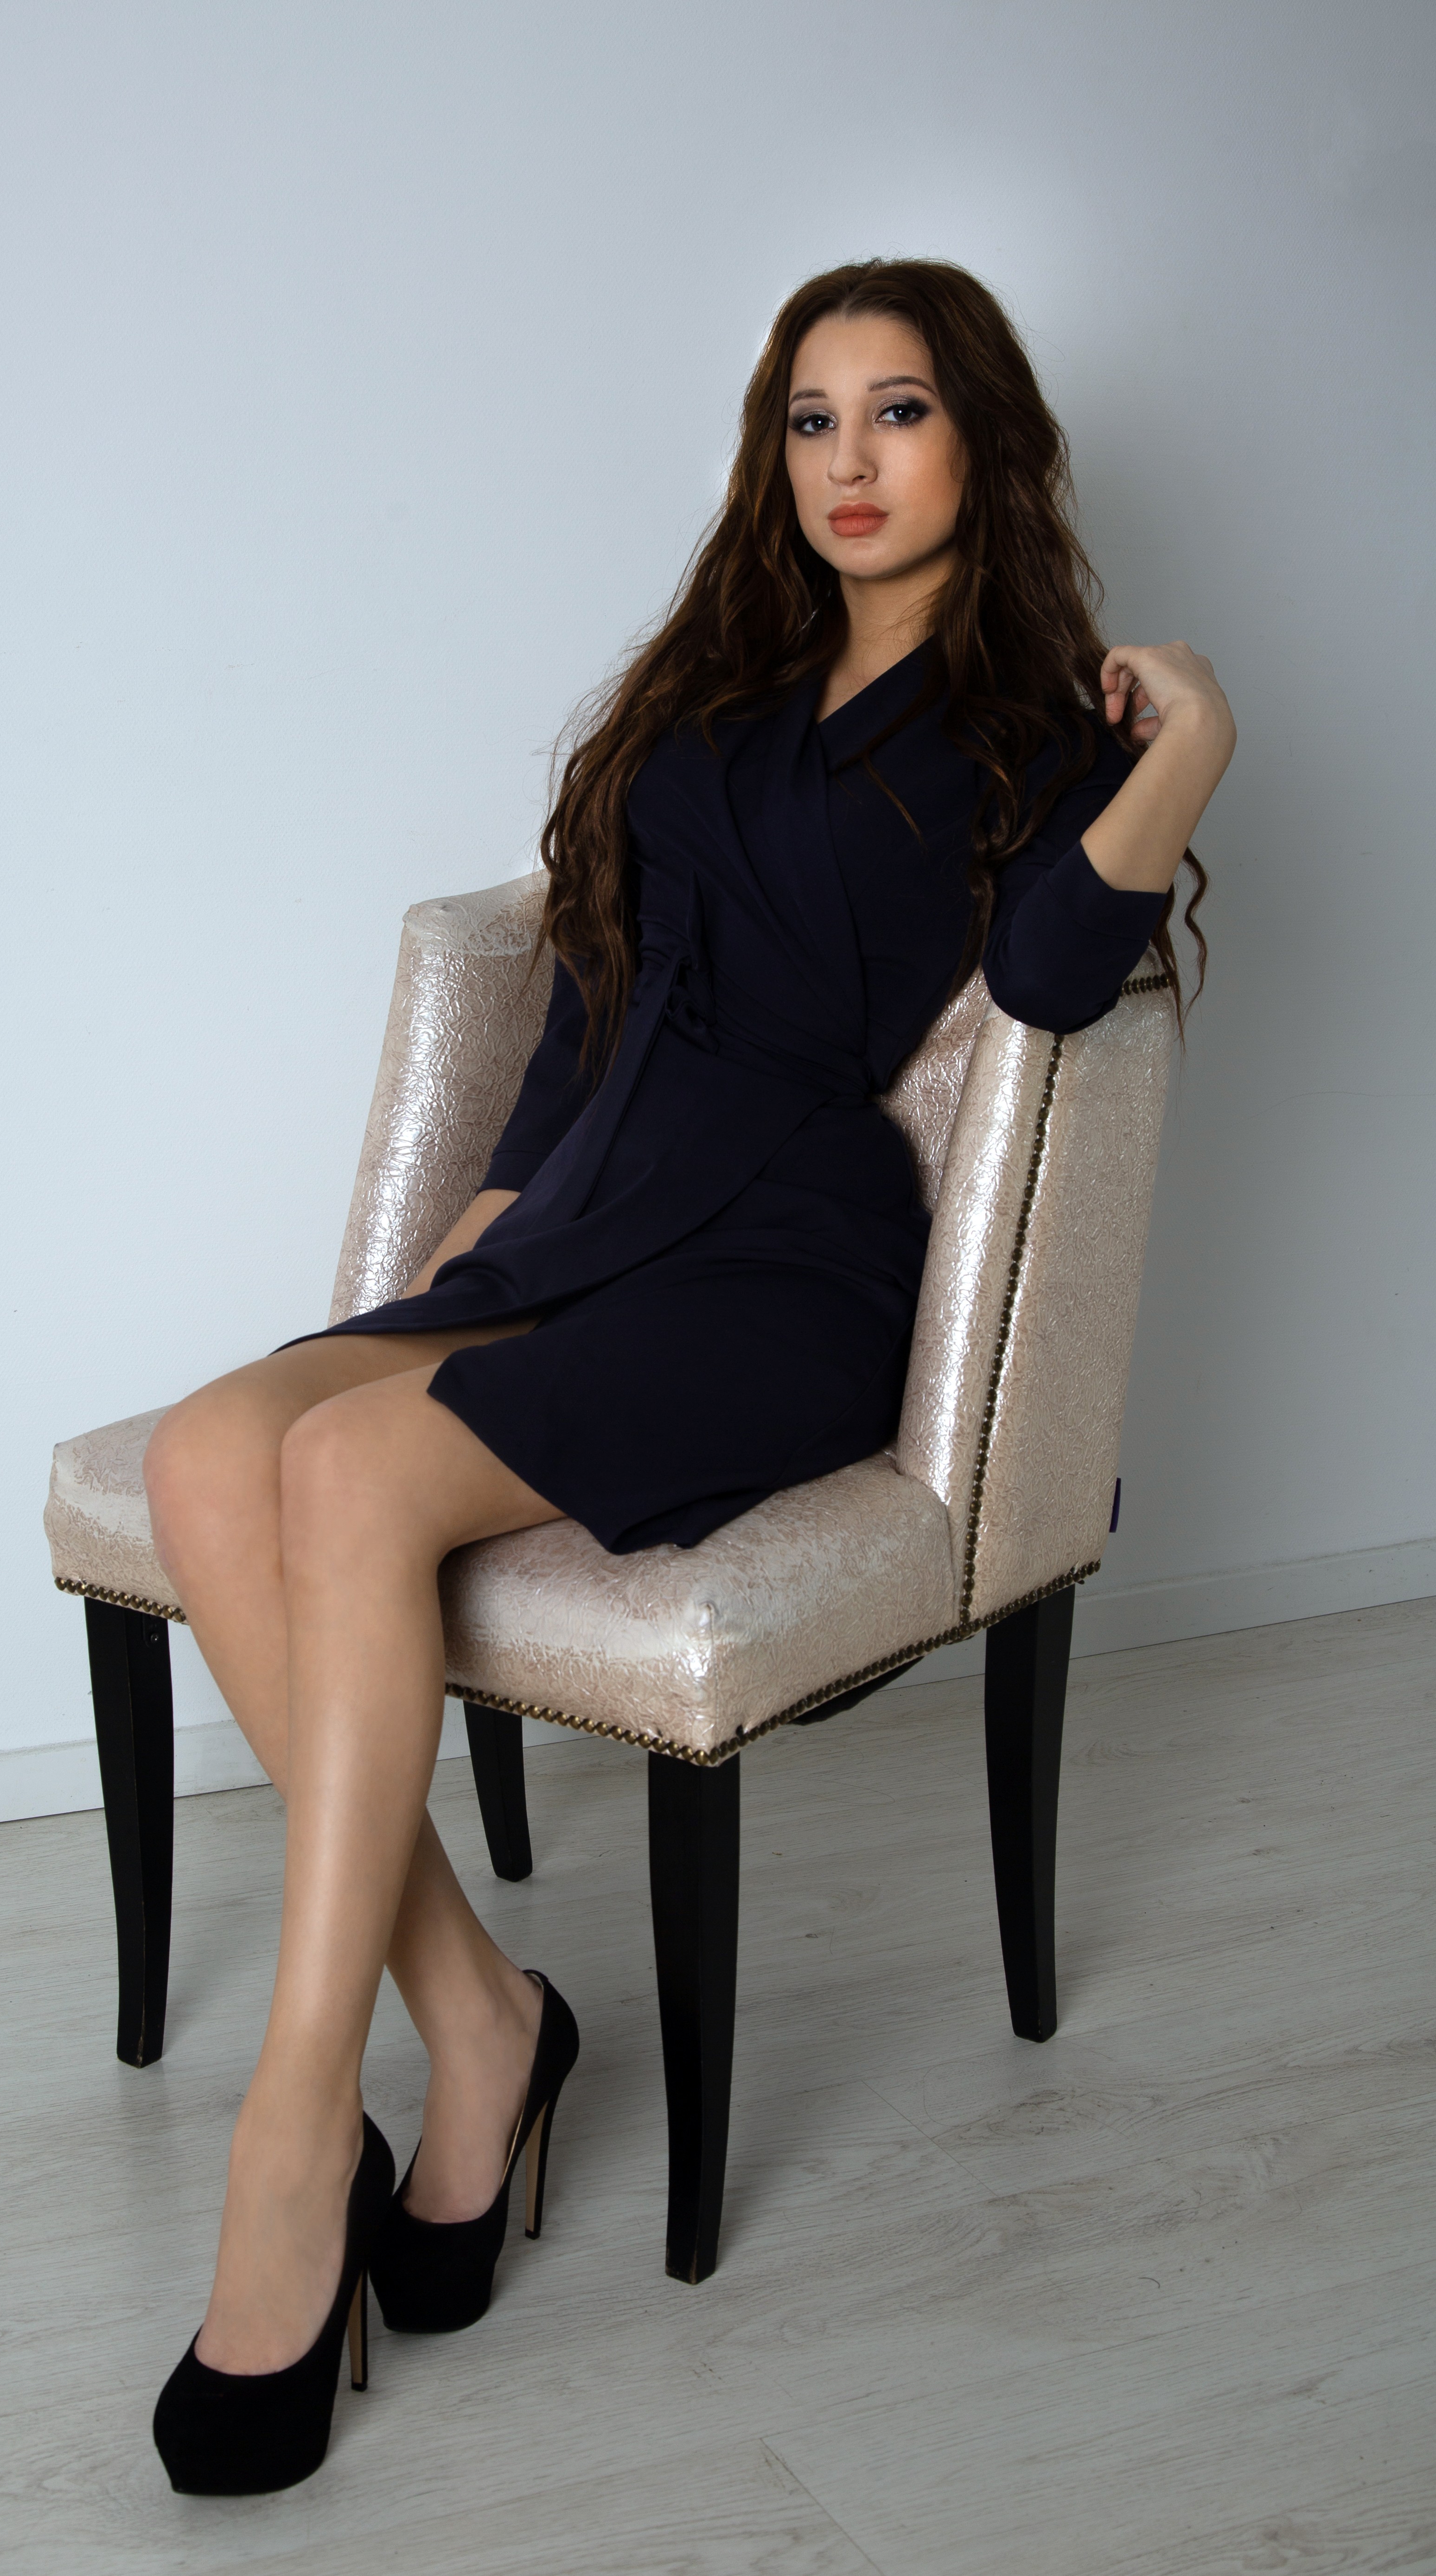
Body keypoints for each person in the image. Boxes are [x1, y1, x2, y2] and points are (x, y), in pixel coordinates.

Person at [142, 256, 1235, 2494]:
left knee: (347, 1483)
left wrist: (1192, 737)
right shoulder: (707, 698)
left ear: (981, 441)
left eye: (896, 410)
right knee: (207, 1456)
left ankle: (292, 2137)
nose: (849, 460)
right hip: (601, 1216)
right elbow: (592, 998)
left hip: (791, 1264)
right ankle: (485, 2020)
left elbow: (1051, 979)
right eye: (811, 420)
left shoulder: (1031, 731)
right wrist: (484, 1228)